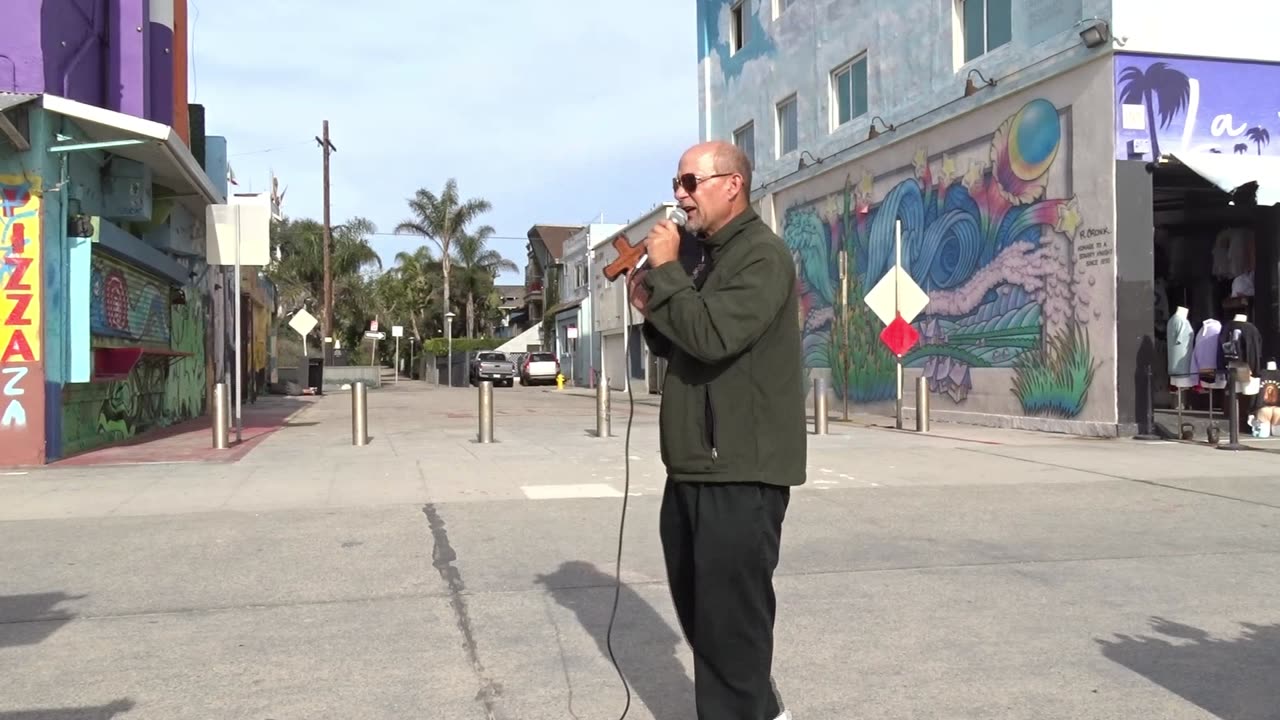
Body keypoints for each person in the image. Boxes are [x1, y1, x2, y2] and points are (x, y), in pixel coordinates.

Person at [628, 140, 806, 720]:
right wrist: (650, 303)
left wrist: (668, 272)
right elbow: (682, 337)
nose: (680, 196)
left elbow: (712, 335)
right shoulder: (704, 255)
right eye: (678, 183)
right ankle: (758, 705)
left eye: (689, 182)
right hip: (692, 466)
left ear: (732, 183)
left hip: (741, 469)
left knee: (731, 622)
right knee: (707, 617)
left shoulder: (762, 256)